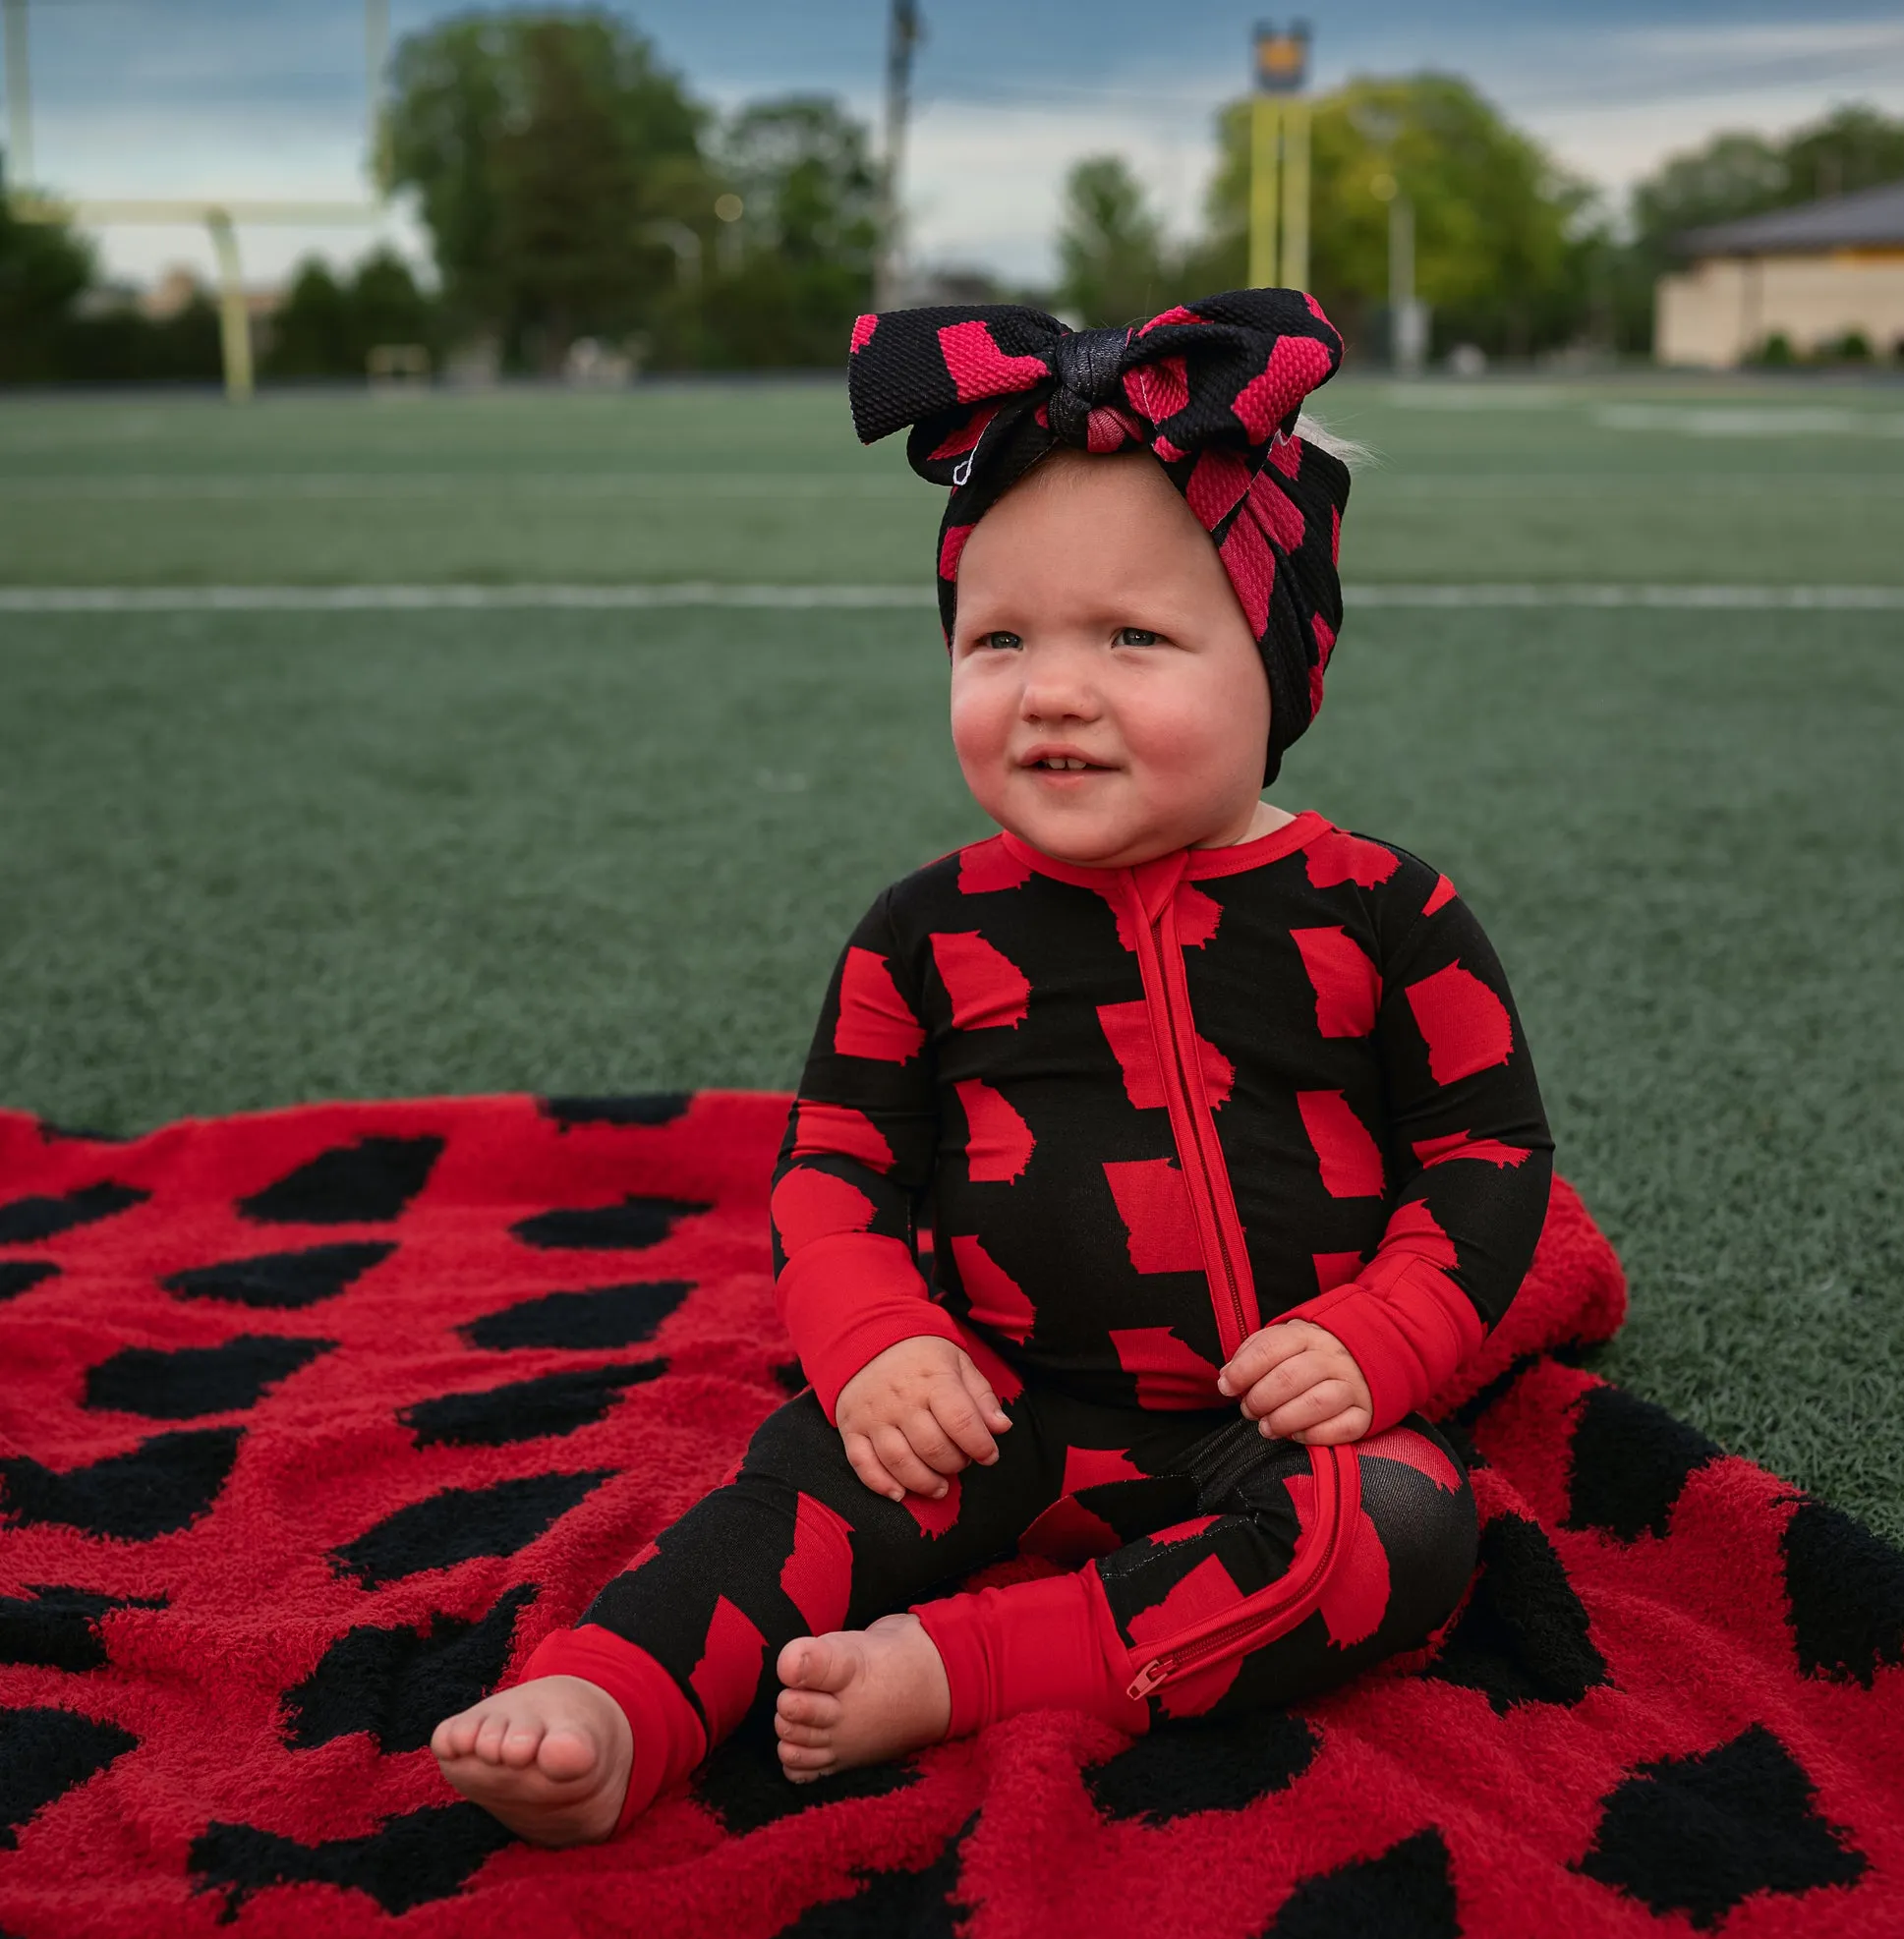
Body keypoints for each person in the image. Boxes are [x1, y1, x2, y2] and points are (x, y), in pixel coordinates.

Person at [430, 290, 1553, 1847]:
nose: (1054, 689)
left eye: (1136, 637)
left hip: (1268, 1426)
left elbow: (1489, 1155)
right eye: (1000, 637)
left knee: (1408, 1531)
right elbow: (835, 1173)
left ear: (1282, 663)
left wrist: (1387, 1330)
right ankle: (612, 1699)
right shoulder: (926, 932)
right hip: (986, 1406)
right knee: (791, 1500)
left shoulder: (1385, 910)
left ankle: (971, 1671)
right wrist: (876, 1339)